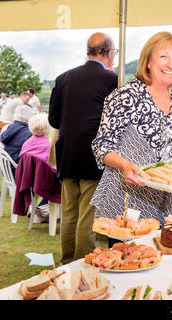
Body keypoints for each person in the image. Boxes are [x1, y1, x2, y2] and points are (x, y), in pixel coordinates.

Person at [91, 31, 172, 247]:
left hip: (169, 200)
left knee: (167, 261)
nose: (171, 64)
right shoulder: (127, 95)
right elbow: (101, 146)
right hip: (130, 199)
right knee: (130, 263)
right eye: (164, 56)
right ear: (148, 60)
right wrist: (125, 165)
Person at [48, 32, 118, 265]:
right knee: (88, 217)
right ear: (109, 53)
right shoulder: (112, 81)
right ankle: (82, 266)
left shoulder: (63, 78)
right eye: (114, 53)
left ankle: (67, 262)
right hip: (94, 156)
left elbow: (54, 120)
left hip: (67, 154)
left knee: (69, 213)